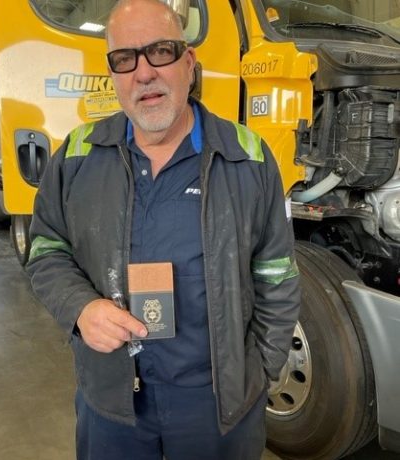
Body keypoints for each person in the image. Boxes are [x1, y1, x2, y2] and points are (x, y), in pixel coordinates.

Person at [26, 0, 301, 459]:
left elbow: (276, 274)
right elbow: (45, 247)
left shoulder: (248, 158)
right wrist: (79, 307)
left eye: (161, 51)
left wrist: (260, 372)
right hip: (113, 402)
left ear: (189, 64)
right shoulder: (77, 155)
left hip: (217, 407)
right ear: (112, 74)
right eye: (125, 59)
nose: (144, 73)